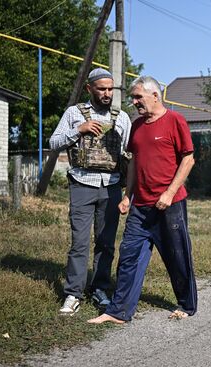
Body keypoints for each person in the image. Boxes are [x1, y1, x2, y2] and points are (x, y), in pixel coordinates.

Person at [88, 76, 197, 324]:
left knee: (176, 256)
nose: (134, 101)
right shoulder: (137, 126)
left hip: (170, 205)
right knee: (129, 256)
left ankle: (186, 304)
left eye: (138, 97)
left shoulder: (175, 121)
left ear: (155, 96)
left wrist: (169, 193)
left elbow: (188, 159)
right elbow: (135, 162)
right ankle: (119, 311)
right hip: (140, 206)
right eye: (133, 97)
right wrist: (128, 196)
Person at [50, 68, 131, 315]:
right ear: (90, 89)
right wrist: (79, 130)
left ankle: (100, 289)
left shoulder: (122, 118)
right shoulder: (74, 113)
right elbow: (53, 143)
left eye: (110, 89)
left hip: (112, 186)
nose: (107, 94)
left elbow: (130, 152)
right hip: (82, 184)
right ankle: (73, 293)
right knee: (79, 243)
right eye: (102, 89)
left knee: (106, 244)